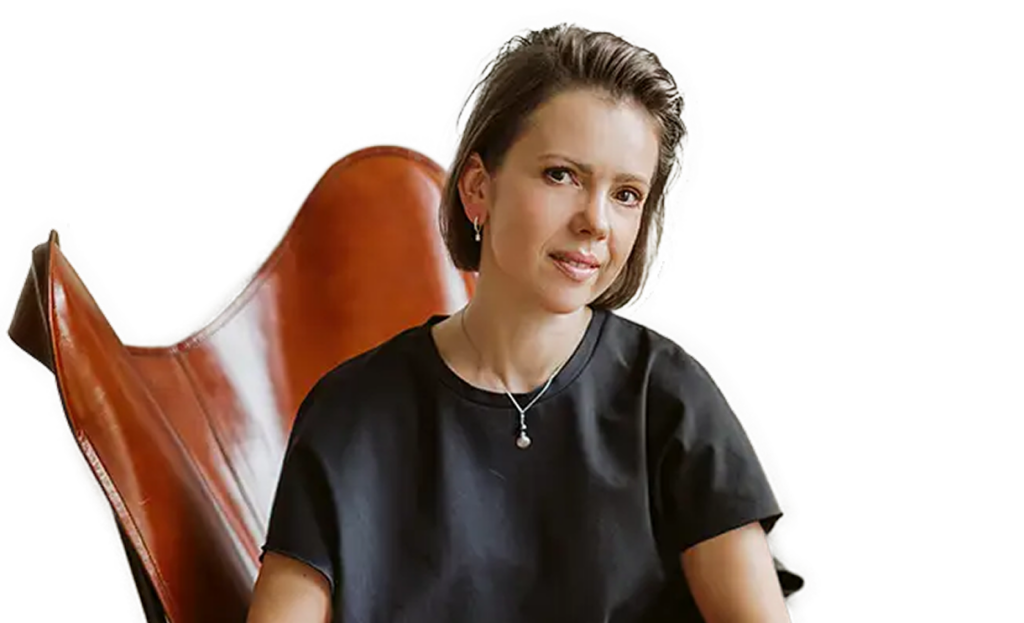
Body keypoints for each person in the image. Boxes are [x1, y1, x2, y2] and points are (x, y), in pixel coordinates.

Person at [247, 18, 793, 623]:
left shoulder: (671, 398)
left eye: (626, 194)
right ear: (478, 188)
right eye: (562, 175)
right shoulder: (350, 414)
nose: (596, 222)